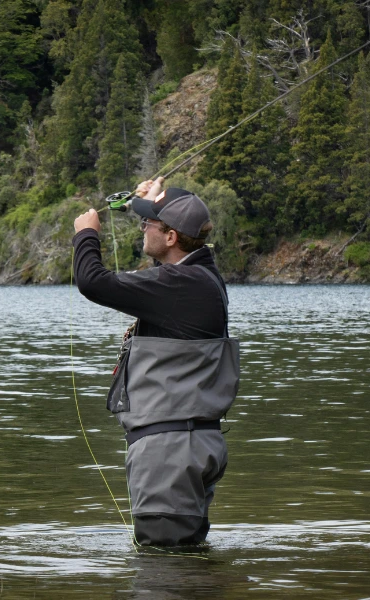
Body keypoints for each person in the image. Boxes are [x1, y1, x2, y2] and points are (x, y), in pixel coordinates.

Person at [72, 176, 240, 546]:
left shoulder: (179, 285)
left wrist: (86, 234)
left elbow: (92, 281)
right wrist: (147, 204)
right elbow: (158, 272)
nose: (142, 227)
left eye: (149, 223)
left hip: (170, 452)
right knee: (184, 559)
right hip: (193, 444)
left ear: (172, 238)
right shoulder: (202, 277)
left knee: (164, 572)